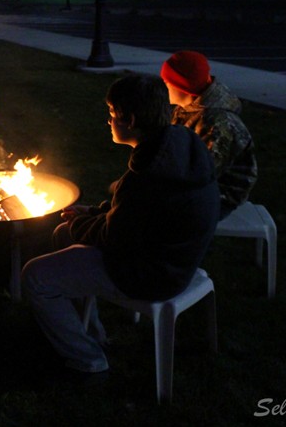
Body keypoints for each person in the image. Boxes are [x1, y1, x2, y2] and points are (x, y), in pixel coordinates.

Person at [21, 74, 220, 383]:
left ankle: (88, 361)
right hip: (173, 257)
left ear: (129, 119)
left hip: (151, 274)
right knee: (62, 234)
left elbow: (114, 235)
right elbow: (135, 216)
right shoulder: (176, 148)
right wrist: (93, 214)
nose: (109, 121)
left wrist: (81, 223)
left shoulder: (148, 177)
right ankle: (92, 330)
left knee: (34, 276)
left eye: (112, 113)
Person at [160, 50, 258, 219]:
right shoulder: (187, 110)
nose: (164, 86)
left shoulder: (217, 125)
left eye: (167, 82)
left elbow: (202, 173)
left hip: (218, 195)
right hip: (189, 185)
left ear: (182, 86)